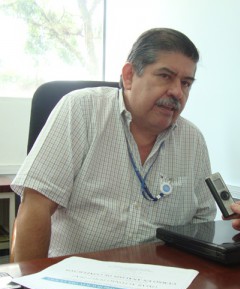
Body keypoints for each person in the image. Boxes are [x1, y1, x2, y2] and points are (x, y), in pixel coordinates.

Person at [11, 28, 216, 262]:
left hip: (159, 280)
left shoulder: (193, 141)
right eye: (165, 76)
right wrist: (29, 285)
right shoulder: (82, 110)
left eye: (186, 83)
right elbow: (36, 206)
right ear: (129, 76)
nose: (177, 92)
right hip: (75, 277)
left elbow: (203, 224)